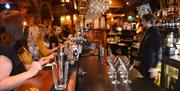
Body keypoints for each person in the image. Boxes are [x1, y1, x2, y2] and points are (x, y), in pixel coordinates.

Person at [0, 10, 48, 91]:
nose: (24, 28)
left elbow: (14, 70)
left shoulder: (11, 45)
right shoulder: (5, 48)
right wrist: (30, 72)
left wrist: (34, 66)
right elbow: (1, 84)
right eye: (22, 25)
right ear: (16, 28)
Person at [138, 13, 162, 81]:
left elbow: (158, 49)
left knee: (146, 86)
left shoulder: (154, 32)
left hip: (149, 65)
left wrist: (154, 67)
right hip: (144, 64)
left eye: (143, 21)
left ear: (148, 21)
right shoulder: (148, 31)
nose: (142, 23)